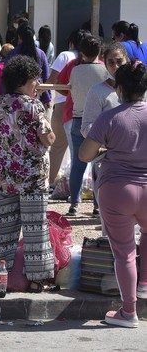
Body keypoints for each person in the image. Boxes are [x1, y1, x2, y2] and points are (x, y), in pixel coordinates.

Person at [79, 60, 147, 328]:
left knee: (124, 252)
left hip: (117, 189)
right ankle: (144, 284)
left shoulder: (110, 117)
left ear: (119, 89)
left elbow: (85, 154)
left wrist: (103, 152)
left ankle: (129, 312)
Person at [0, 55, 56, 292]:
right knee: (34, 229)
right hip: (32, 178)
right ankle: (37, 280)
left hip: (6, 176)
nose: (37, 84)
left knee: (5, 229)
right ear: (26, 79)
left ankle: (1, 277)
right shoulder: (33, 105)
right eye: (35, 79)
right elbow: (47, 137)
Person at [57, 34, 108, 216]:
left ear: (82, 51)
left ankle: (74, 204)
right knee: (99, 164)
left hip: (78, 118)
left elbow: (65, 87)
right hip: (100, 121)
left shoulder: (75, 70)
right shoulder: (105, 71)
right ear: (99, 51)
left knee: (77, 164)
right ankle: (97, 204)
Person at [81, 42, 128, 217]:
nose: (115, 66)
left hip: (136, 165)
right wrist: (113, 138)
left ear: (127, 61)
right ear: (104, 63)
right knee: (110, 221)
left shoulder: (140, 91)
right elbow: (87, 128)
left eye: (119, 61)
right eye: (111, 62)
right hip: (106, 162)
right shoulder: (97, 92)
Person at [46, 31, 79, 190]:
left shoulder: (65, 55)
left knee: (57, 147)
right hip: (82, 107)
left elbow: (53, 80)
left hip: (62, 106)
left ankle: (51, 182)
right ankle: (77, 186)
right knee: (79, 149)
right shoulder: (92, 60)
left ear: (71, 43)